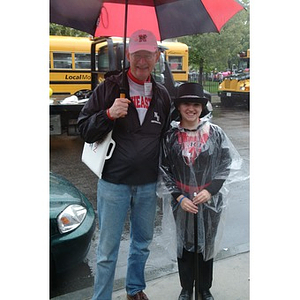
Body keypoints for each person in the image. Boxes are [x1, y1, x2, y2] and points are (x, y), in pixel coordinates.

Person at [77, 29, 171, 300]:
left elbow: (167, 136)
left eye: (148, 56)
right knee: (107, 250)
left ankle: (134, 288)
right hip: (113, 183)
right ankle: (102, 296)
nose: (142, 62)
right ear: (128, 55)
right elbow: (84, 128)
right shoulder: (109, 88)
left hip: (147, 183)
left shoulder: (163, 94)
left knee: (142, 243)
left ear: (156, 57)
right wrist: (108, 114)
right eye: (137, 55)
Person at [160, 82, 241, 300]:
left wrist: (212, 190)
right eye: (186, 103)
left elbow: (227, 163)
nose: (191, 109)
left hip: (209, 200)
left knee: (207, 245)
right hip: (182, 200)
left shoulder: (215, 133)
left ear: (202, 107)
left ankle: (204, 288)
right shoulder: (170, 137)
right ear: (179, 107)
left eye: (196, 104)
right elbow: (164, 170)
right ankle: (186, 288)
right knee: (184, 246)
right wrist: (178, 196)